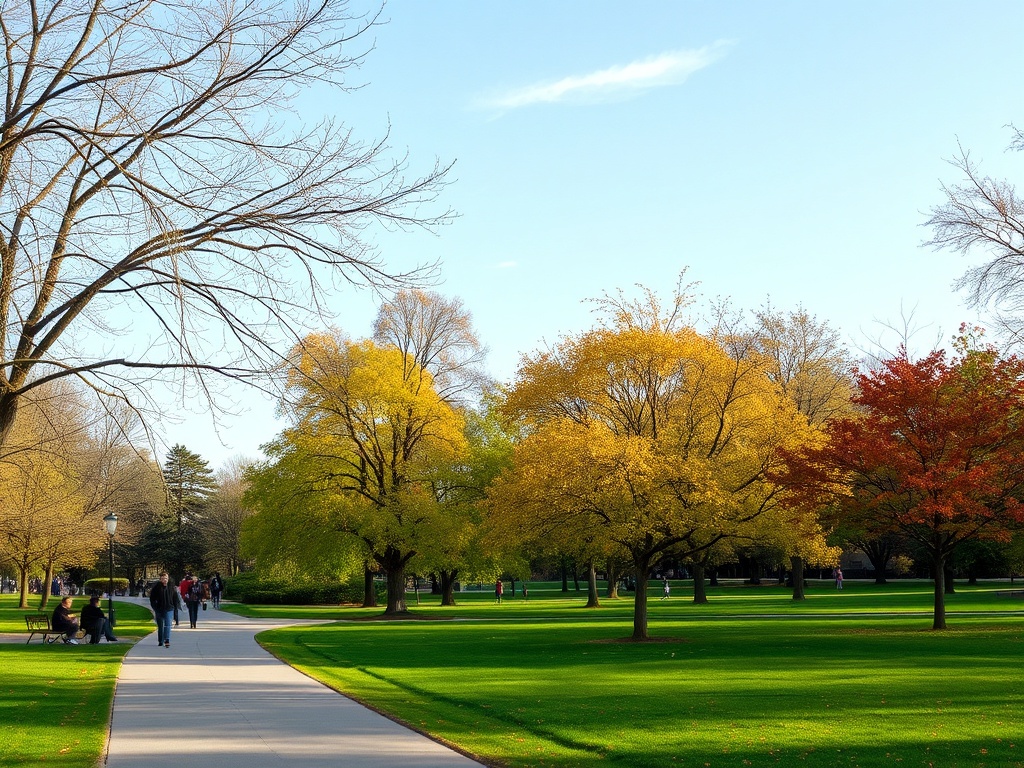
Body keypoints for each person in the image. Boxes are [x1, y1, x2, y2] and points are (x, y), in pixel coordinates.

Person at [149, 572, 180, 647]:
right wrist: (155, 608)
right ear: (160, 579)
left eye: (166, 578)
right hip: (159, 609)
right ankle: (160, 640)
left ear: (168, 578)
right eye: (163, 579)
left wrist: (175, 609)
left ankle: (167, 639)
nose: (164, 580)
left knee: (168, 625)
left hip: (169, 608)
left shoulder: (172, 587)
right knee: (160, 626)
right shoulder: (156, 588)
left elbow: (175, 599)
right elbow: (152, 599)